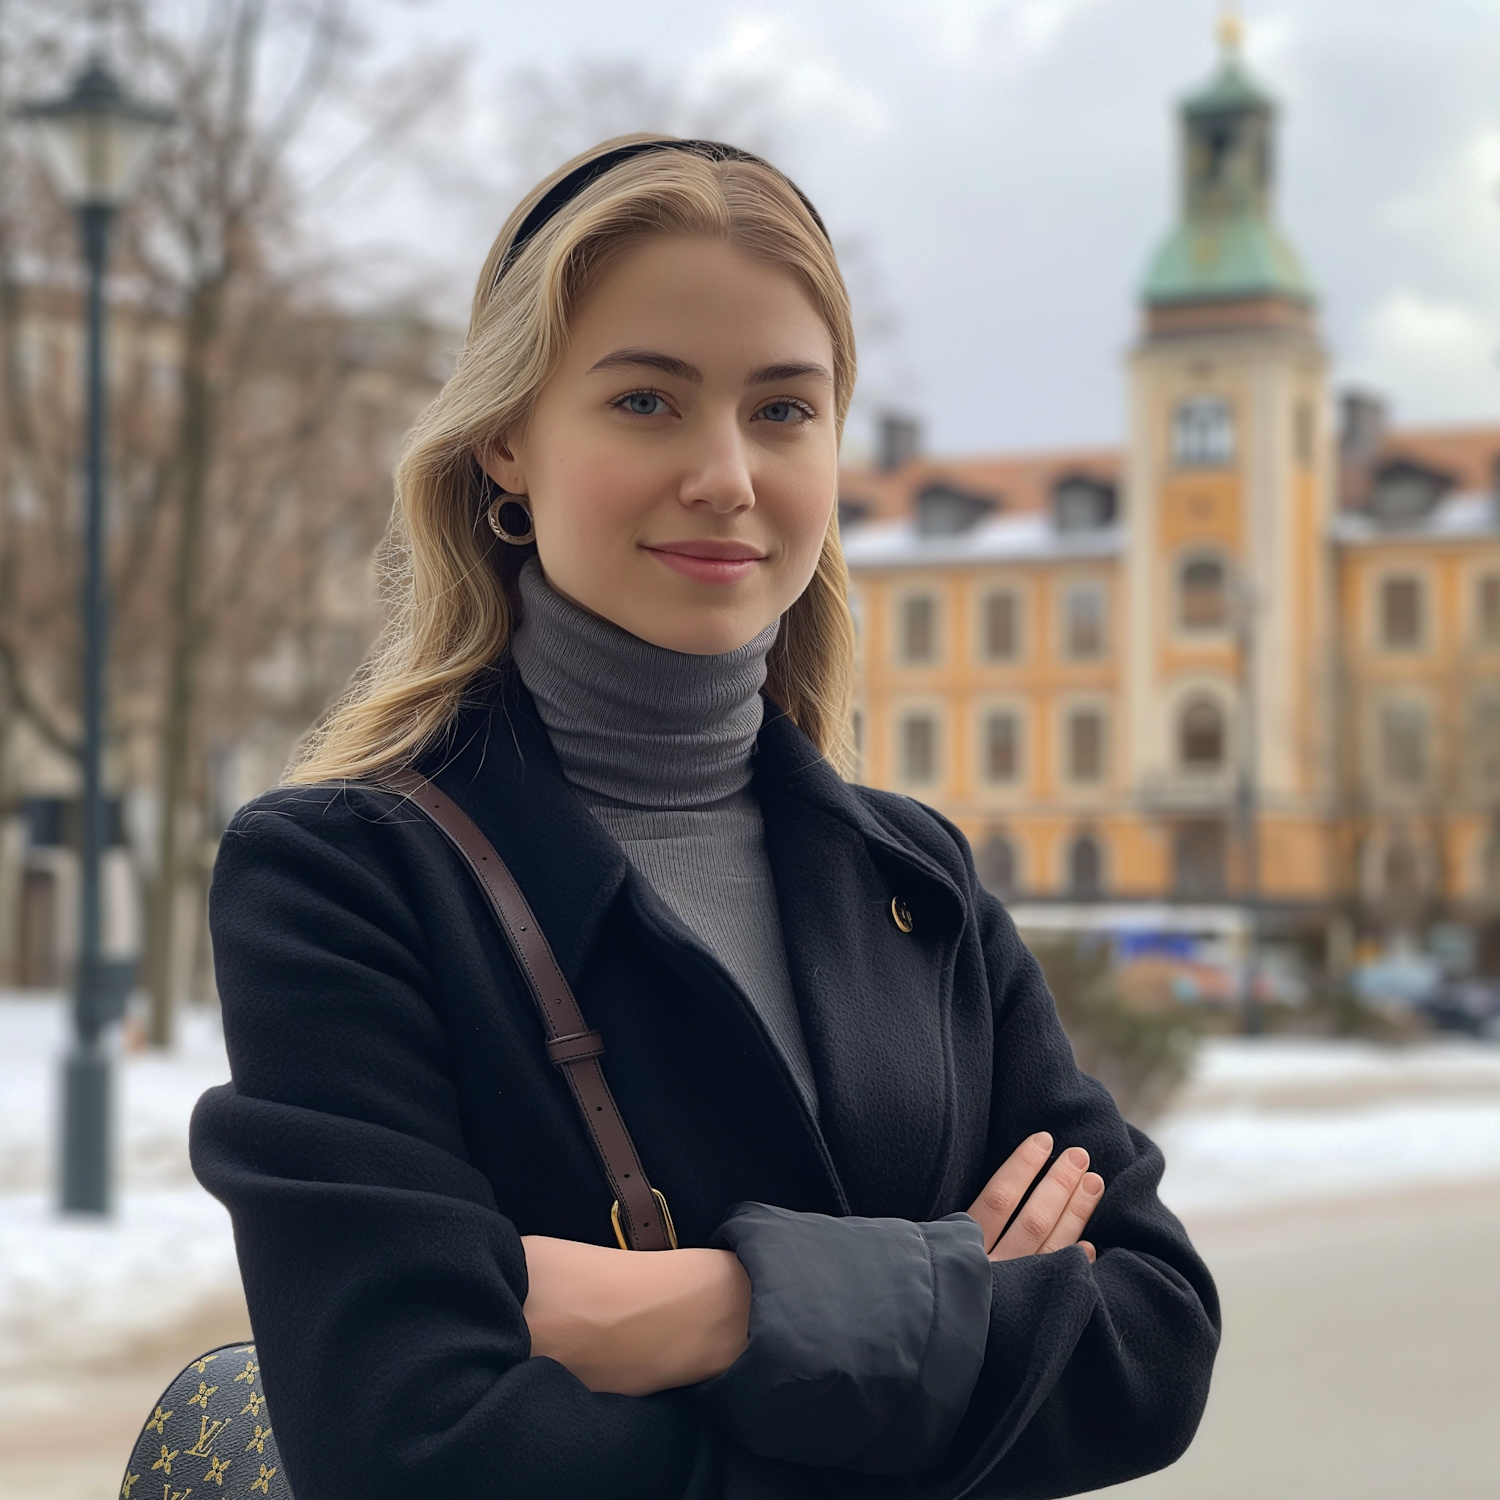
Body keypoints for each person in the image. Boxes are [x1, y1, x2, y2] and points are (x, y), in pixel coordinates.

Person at [191, 137, 1219, 1500]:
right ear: (509, 438)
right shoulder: (342, 878)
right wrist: (954, 1299)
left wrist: (720, 1308)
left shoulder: (913, 877)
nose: (727, 476)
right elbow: (414, 1450)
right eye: (646, 402)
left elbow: (1151, 1340)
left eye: (783, 411)